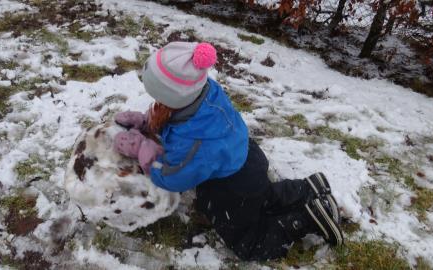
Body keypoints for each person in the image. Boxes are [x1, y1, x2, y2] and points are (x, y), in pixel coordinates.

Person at [112, 41, 343, 260]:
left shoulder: (196, 143)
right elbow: (174, 115)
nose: (156, 103)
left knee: (249, 243)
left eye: (159, 98)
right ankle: (307, 189)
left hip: (232, 187)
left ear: (173, 98)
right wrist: (146, 123)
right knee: (262, 196)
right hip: (245, 155)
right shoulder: (204, 90)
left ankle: (306, 219)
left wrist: (143, 148)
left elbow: (173, 177)